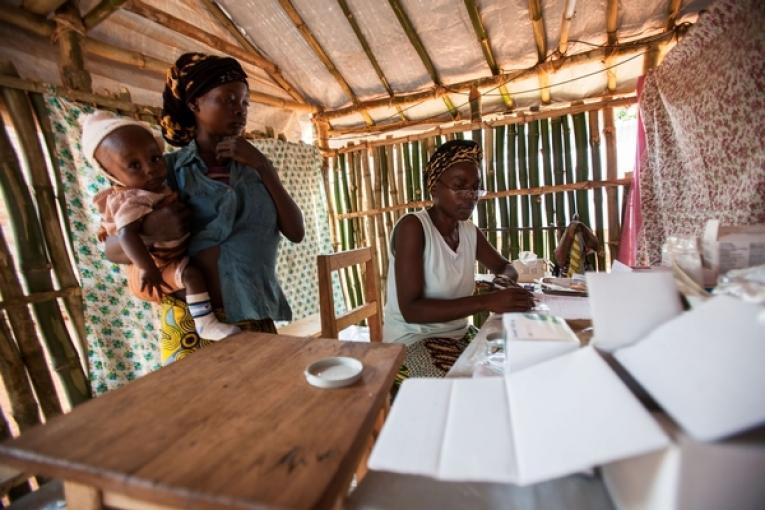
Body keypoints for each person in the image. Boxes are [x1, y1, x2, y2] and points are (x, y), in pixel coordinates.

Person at [104, 53, 304, 363]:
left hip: (253, 312)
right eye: (227, 100)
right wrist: (148, 232)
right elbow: (111, 249)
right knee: (196, 410)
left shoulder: (255, 169)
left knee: (261, 407)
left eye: (245, 103)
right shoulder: (162, 172)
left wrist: (265, 167)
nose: (239, 110)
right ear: (195, 104)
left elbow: (295, 232)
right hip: (191, 320)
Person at [82, 111, 240, 341]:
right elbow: (121, 238)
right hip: (164, 271)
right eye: (134, 165)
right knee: (191, 277)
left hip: (239, 302)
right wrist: (148, 265)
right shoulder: (130, 198)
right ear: (111, 174)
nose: (149, 169)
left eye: (155, 158)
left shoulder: (157, 185)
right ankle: (206, 324)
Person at [384, 139, 534, 380]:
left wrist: (503, 281)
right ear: (434, 189)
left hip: (459, 335)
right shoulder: (413, 227)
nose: (470, 196)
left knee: (515, 368)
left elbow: (504, 266)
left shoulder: (468, 231)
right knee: (461, 390)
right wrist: (487, 301)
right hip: (411, 341)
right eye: (459, 186)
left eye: (475, 188)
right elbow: (412, 310)